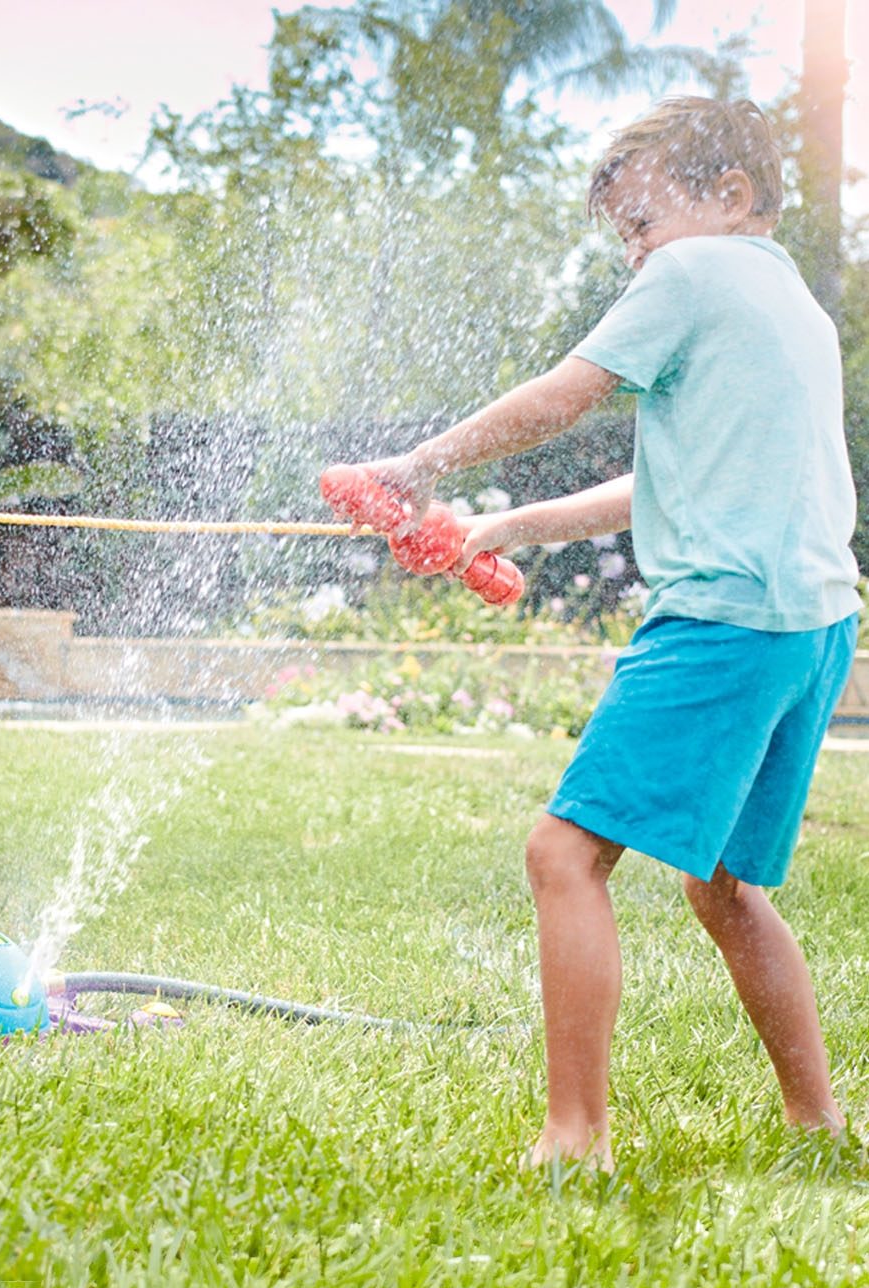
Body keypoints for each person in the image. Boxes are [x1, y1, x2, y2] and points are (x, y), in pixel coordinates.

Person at [326, 98, 862, 1168]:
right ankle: (820, 1123)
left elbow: (563, 398)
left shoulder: (693, 274)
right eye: (624, 237)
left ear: (731, 197)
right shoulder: (787, 300)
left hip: (720, 618)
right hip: (811, 623)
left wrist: (418, 466)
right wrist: (509, 523)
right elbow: (667, 478)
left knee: (563, 853)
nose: (636, 256)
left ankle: (574, 1139)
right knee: (720, 885)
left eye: (642, 225)